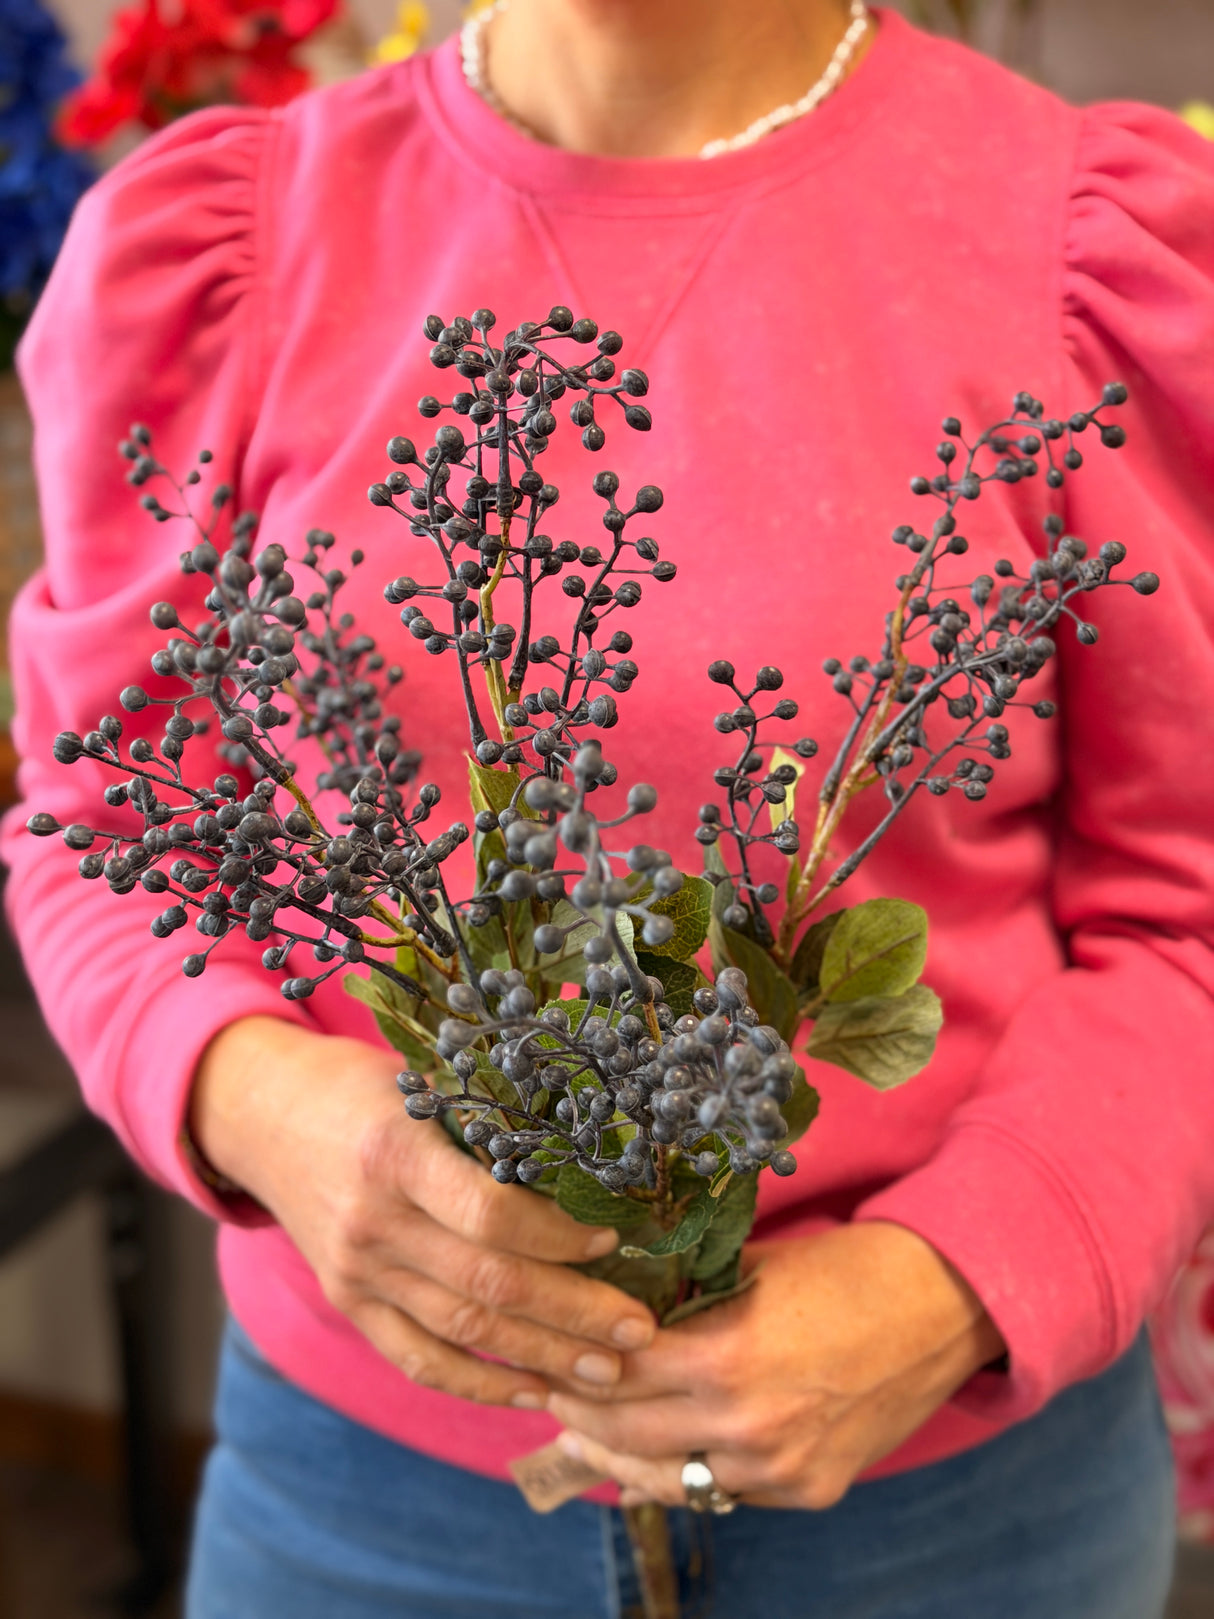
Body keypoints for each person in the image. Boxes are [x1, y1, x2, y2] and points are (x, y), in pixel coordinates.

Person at [4, 2, 1213, 1614]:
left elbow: (1186, 905)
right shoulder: (225, 240)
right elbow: (100, 815)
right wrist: (259, 1101)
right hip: (364, 1521)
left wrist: (956, 1276)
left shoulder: (1088, 245)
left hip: (955, 1516)